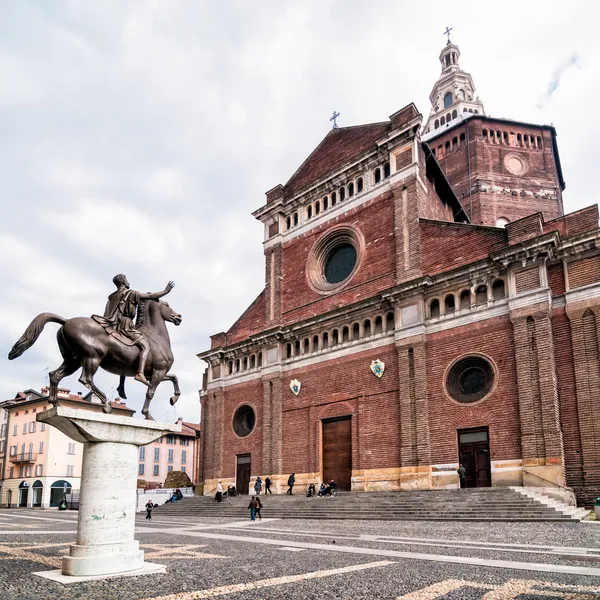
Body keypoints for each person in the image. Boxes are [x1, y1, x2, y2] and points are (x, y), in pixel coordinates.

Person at [91, 274, 174, 389]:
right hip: (126, 326)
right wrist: (165, 291)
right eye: (127, 279)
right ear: (124, 282)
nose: (128, 282)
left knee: (129, 352)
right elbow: (149, 295)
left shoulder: (111, 297)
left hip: (114, 326)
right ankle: (140, 373)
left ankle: (121, 385)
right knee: (145, 346)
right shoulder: (131, 293)